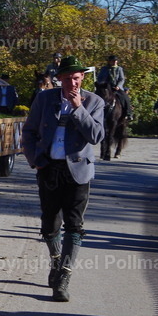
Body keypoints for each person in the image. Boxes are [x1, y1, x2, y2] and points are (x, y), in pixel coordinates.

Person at [22, 55, 105, 302]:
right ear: (59, 79)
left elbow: (96, 136)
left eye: (77, 78)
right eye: (68, 78)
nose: (73, 83)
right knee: (49, 223)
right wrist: (34, 159)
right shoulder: (45, 98)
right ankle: (56, 260)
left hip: (78, 171)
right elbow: (28, 131)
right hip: (48, 167)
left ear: (83, 78)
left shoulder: (94, 102)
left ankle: (63, 278)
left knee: (74, 225)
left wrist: (79, 108)